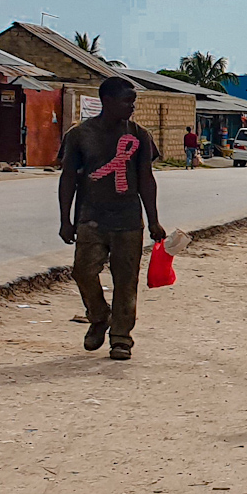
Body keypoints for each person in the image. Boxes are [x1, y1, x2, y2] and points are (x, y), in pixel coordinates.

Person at [59, 76, 166, 360]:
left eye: (133, 102)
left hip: (129, 220)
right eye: (126, 101)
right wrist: (65, 219)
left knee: (126, 281)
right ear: (107, 101)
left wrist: (154, 220)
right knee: (82, 271)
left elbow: (146, 179)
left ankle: (121, 338)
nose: (131, 107)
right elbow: (68, 178)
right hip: (90, 218)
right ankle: (98, 316)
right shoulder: (80, 135)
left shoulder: (140, 135)